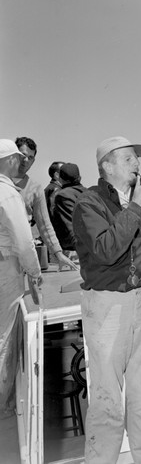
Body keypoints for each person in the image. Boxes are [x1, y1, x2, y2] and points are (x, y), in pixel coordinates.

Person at [72, 136, 141, 464]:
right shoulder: (88, 203)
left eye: (137, 159)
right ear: (108, 166)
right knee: (106, 396)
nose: (138, 165)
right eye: (130, 159)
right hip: (106, 305)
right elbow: (105, 250)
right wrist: (135, 209)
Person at [0, 139, 42, 418]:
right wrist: (35, 272)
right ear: (11, 160)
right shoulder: (7, 192)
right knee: (5, 338)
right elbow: (25, 242)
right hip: (7, 269)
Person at [12, 137, 77, 271]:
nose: (26, 160)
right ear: (13, 154)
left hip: (21, 256)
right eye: (23, 155)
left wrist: (58, 253)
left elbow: (45, 224)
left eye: (30, 157)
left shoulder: (35, 189)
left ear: (33, 161)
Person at [52, 162, 86, 252]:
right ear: (79, 178)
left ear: (60, 179)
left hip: (74, 250)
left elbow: (71, 225)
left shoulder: (63, 195)